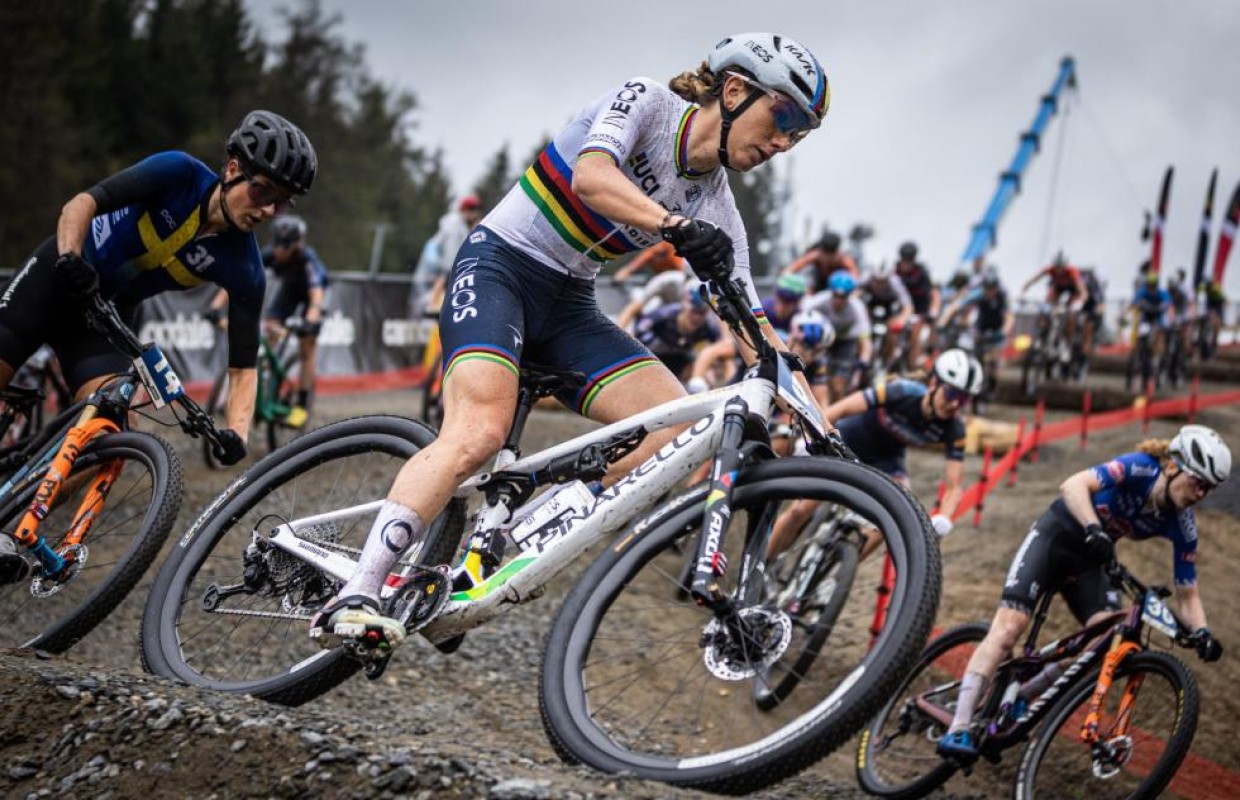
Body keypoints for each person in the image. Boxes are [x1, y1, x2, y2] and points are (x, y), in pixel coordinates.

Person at [307, 32, 832, 652]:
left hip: (569, 305)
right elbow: (591, 177)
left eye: (800, 134)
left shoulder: (718, 207)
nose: (784, 140)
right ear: (736, 90)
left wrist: (821, 428)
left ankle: (515, 530)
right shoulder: (648, 103)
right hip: (501, 265)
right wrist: (672, 226)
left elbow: (753, 327)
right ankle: (360, 589)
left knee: (676, 428)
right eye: (785, 116)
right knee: (477, 435)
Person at [0, 109, 317, 583]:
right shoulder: (177, 172)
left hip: (101, 320)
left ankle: (9, 524)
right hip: (58, 278)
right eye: (264, 191)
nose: (270, 210)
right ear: (233, 169)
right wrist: (70, 257)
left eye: (283, 202)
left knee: (108, 434)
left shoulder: (245, 267)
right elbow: (81, 204)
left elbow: (243, 367)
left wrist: (237, 433)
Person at [936, 425, 1231, 761]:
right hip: (1055, 539)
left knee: (1105, 643)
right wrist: (1093, 526)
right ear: (1174, 465)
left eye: (1210, 488)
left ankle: (1024, 697)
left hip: (1093, 562)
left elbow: (1188, 593)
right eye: (1199, 482)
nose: (1201, 493)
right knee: (1008, 630)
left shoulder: (1183, 524)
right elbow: (1073, 484)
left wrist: (1202, 632)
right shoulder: (1140, 467)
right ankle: (958, 726)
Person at [766, 348, 984, 561]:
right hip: (848, 441)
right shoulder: (902, 391)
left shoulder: (954, 428)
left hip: (886, 459)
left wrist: (944, 518)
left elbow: (954, 485)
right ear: (934, 383)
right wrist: (812, 433)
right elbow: (840, 409)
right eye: (952, 393)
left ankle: (834, 574)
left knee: (897, 510)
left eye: (963, 399)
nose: (955, 404)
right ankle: (762, 566)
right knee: (800, 511)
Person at [411, 194, 485, 316]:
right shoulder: (454, 228)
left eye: (476, 209)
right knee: (425, 316)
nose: (475, 213)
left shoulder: (466, 227)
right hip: (432, 281)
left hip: (440, 280)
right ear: (463, 210)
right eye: (471, 209)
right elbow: (450, 264)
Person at [803, 270, 872, 402]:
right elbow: (798, 324)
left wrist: (864, 359)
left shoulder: (857, 308)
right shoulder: (816, 302)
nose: (839, 300)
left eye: (843, 296)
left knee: (838, 386)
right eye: (836, 295)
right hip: (821, 340)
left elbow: (865, 339)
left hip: (845, 341)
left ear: (849, 295)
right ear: (831, 292)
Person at [633, 282, 721, 381]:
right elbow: (635, 334)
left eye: (702, 313)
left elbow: (721, 347)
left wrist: (712, 367)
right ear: (685, 306)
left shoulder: (708, 326)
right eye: (694, 311)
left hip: (679, 360)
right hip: (650, 357)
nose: (696, 318)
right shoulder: (664, 315)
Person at [1020, 251, 1088, 366]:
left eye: (1061, 268)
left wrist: (1080, 301)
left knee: (1070, 315)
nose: (1059, 271)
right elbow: (1035, 278)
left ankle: (1067, 343)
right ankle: (1040, 335)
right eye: (1057, 268)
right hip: (1058, 290)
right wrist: (1025, 288)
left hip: (1072, 291)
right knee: (1046, 309)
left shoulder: (1072, 272)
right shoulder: (1050, 269)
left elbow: (1082, 291)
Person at [893, 241, 939, 370]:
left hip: (921, 313)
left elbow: (934, 294)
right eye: (903, 259)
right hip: (901, 312)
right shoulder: (895, 271)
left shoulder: (922, 273)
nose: (905, 264)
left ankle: (916, 364)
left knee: (919, 336)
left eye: (909, 260)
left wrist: (933, 312)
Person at [781, 230, 859, 292]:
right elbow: (792, 268)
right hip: (818, 284)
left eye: (831, 256)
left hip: (837, 288)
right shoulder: (815, 255)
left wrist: (853, 292)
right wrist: (786, 279)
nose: (827, 259)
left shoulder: (844, 259)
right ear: (821, 250)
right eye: (825, 254)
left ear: (836, 252)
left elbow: (856, 279)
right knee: (809, 272)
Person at [610, 240, 687, 285]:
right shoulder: (651, 251)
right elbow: (633, 266)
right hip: (660, 284)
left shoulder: (672, 250)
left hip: (678, 283)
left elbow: (681, 272)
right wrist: (622, 274)